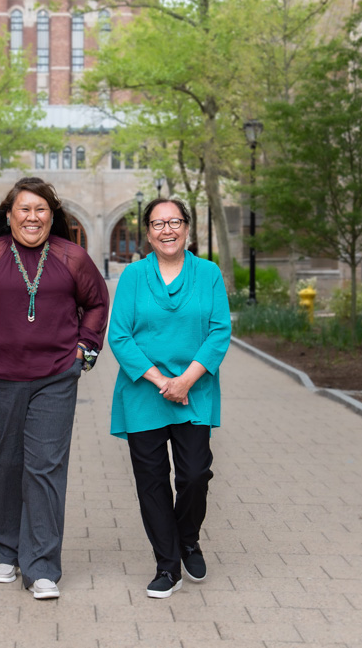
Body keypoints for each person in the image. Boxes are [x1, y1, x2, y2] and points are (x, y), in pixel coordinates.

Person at [0, 177, 109, 599]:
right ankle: (6, 550)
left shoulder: (72, 257)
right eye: (24, 210)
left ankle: (42, 567)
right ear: (10, 214)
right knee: (9, 461)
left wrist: (84, 351)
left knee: (46, 466)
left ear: (53, 216)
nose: (32, 218)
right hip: (0, 377)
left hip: (56, 376)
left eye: (41, 210)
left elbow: (96, 303)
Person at [107, 198, 231, 599]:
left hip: (194, 392)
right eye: (158, 224)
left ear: (187, 227)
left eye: (174, 222)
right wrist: (162, 380)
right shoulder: (132, 276)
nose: (167, 230)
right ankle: (167, 566)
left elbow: (219, 332)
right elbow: (120, 335)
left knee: (195, 475)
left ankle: (188, 538)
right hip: (144, 392)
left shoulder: (208, 274)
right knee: (152, 482)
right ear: (147, 232)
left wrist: (186, 380)